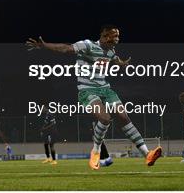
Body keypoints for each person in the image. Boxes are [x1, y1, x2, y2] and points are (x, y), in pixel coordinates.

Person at [26, 25, 162, 170]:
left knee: (124, 117)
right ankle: (96, 151)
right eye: (114, 35)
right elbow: (66, 48)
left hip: (106, 90)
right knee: (104, 118)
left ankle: (147, 154)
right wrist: (45, 45)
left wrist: (121, 63)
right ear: (104, 36)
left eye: (118, 35)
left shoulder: (110, 51)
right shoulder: (88, 45)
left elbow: (113, 58)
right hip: (87, 91)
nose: (117, 38)